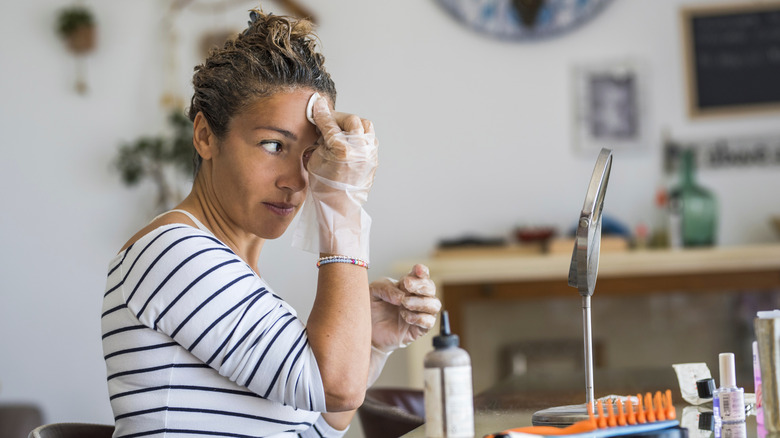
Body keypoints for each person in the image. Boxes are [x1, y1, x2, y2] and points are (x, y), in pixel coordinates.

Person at [101, 9, 441, 438]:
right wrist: (342, 205)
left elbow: (311, 427)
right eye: (272, 144)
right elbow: (337, 388)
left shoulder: (235, 276)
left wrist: (368, 344)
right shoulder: (174, 253)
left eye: (309, 156)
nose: (297, 180)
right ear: (206, 136)